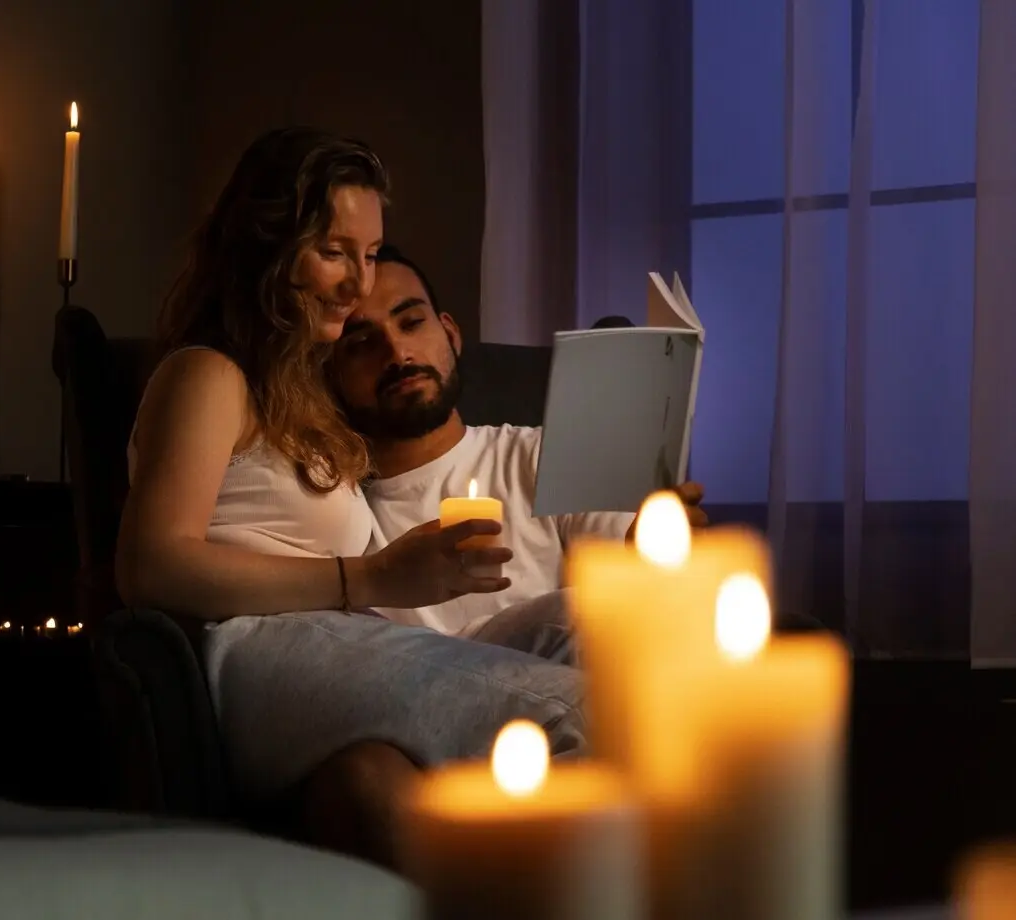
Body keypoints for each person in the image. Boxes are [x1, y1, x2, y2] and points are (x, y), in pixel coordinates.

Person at [114, 128, 590, 856]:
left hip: (342, 642)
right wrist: (367, 577)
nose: (358, 284)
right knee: (578, 713)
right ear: (267, 249)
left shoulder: (297, 394)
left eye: (368, 255)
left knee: (594, 624)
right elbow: (150, 566)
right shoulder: (206, 375)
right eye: (334, 252)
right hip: (255, 655)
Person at [330, 244, 708, 641]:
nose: (398, 353)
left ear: (451, 334)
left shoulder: (550, 456)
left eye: (411, 323)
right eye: (363, 344)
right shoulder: (337, 519)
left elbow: (627, 599)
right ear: (332, 374)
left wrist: (649, 550)